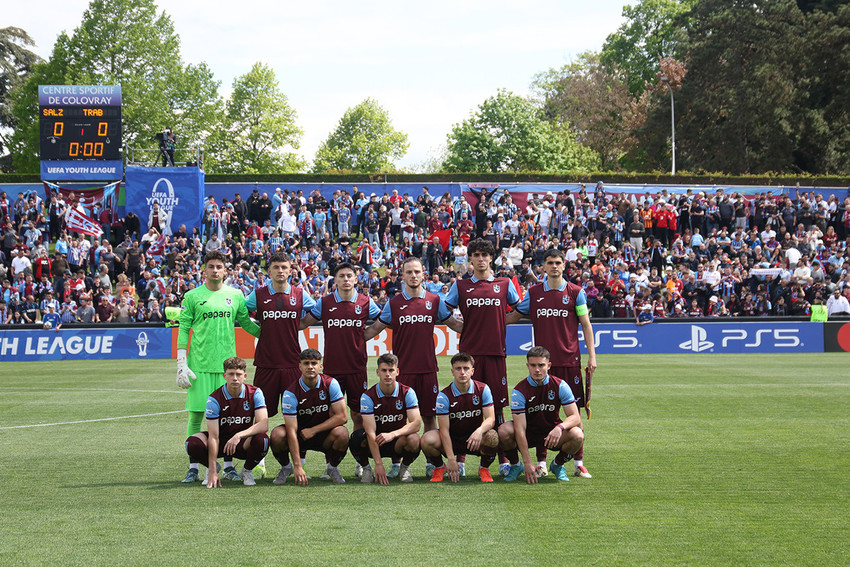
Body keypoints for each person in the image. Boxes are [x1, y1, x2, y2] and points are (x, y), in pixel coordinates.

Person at [507, 248, 597, 478]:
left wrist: (592, 356)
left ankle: (578, 463)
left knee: (574, 413)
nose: (554, 266)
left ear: (564, 265)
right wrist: (484, 320)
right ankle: (541, 463)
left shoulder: (576, 292)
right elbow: (514, 316)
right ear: (544, 266)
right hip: (542, 363)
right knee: (541, 412)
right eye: (550, 262)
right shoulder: (534, 293)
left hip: (569, 361)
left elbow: (586, 324)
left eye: (558, 262)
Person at [177, 250, 262, 483]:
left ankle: (229, 466)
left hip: (227, 368)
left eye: (219, 267)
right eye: (211, 266)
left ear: (226, 271)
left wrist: (272, 334)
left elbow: (246, 323)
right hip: (200, 365)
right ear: (204, 270)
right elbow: (184, 328)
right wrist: (181, 361)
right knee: (196, 416)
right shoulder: (192, 296)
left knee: (229, 418)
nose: (215, 270)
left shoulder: (235, 295)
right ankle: (193, 467)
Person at [363, 257, 461, 442]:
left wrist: (480, 328)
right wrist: (348, 338)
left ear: (423, 274)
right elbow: (374, 329)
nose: (413, 275)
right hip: (403, 370)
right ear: (403, 275)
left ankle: (431, 457)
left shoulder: (435, 300)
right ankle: (399, 457)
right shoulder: (393, 304)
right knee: (400, 418)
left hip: (428, 369)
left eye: (417, 272)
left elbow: (454, 324)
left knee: (429, 418)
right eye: (409, 272)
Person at [444, 238, 519, 477]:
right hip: (469, 356)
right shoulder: (461, 285)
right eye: (475, 255)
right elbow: (443, 312)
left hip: (496, 353)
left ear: (491, 258)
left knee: (497, 407)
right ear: (470, 259)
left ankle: (504, 460)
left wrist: (500, 323)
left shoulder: (504, 283)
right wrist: (462, 328)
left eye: (484, 255)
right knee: (465, 407)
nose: (480, 259)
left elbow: (519, 310)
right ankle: (461, 459)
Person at [301, 262, 381, 477]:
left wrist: (364, 336)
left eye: (349, 276)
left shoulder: (365, 302)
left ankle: (360, 461)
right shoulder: (325, 302)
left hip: (356, 367)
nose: (346, 279)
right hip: (332, 369)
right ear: (334, 280)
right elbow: (305, 322)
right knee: (331, 415)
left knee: (358, 415)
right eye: (342, 276)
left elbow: (383, 320)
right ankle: (331, 465)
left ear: (355, 279)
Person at [244, 251, 316, 477]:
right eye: (276, 267)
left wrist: (300, 325)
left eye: (284, 267)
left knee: (297, 415)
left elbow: (316, 311)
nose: (280, 271)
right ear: (269, 271)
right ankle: (258, 460)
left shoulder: (300, 294)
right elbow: (241, 312)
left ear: (290, 270)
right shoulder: (258, 295)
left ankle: (298, 462)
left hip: (292, 364)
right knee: (260, 414)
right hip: (266, 364)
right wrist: (258, 330)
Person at [499, 346, 585, 483]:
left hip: (551, 433)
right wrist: (527, 462)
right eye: (533, 365)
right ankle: (516, 465)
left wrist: (559, 428)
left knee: (577, 434)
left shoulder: (560, 385)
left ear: (549, 365)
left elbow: (575, 416)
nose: (537, 369)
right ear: (528, 366)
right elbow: (520, 428)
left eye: (541, 365)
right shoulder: (519, 391)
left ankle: (557, 465)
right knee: (504, 430)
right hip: (528, 434)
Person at [184, 357, 269, 487]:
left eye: (238, 374)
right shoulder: (214, 399)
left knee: (263, 439)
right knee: (191, 443)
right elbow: (213, 436)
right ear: (225, 376)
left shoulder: (255, 393)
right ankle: (213, 468)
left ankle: (246, 471)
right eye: (231, 374)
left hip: (242, 443)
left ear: (245, 376)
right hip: (220, 442)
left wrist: (238, 436)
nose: (235, 378)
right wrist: (212, 470)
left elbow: (263, 424)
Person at [270, 349, 349, 485]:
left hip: (324, 435)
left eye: (314, 363)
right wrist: (298, 466)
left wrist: (314, 430)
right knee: (277, 435)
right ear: (300, 366)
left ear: (320, 366)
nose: (310, 367)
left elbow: (342, 417)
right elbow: (291, 430)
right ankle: (287, 467)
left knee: (342, 433)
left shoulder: (331, 384)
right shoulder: (290, 393)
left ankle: (332, 468)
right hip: (300, 436)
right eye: (306, 363)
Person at [421, 352, 498, 483]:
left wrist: (479, 431)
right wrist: (451, 459)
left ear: (472, 371)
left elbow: (491, 419)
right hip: (453, 440)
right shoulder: (443, 396)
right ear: (452, 371)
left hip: (474, 439)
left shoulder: (483, 389)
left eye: (466, 368)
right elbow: (444, 430)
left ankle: (484, 468)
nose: (462, 372)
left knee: (492, 436)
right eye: (458, 369)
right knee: (427, 439)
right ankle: (440, 467)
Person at [351, 353, 422, 484]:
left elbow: (416, 424)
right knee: (356, 438)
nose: (387, 374)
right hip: (376, 442)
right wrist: (378, 464)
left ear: (397, 372)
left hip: (397, 441)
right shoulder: (368, 396)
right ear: (378, 372)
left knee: (414, 439)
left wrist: (392, 434)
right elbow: (370, 431)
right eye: (384, 370)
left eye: (391, 370)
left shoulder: (407, 392)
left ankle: (404, 468)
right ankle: (366, 468)